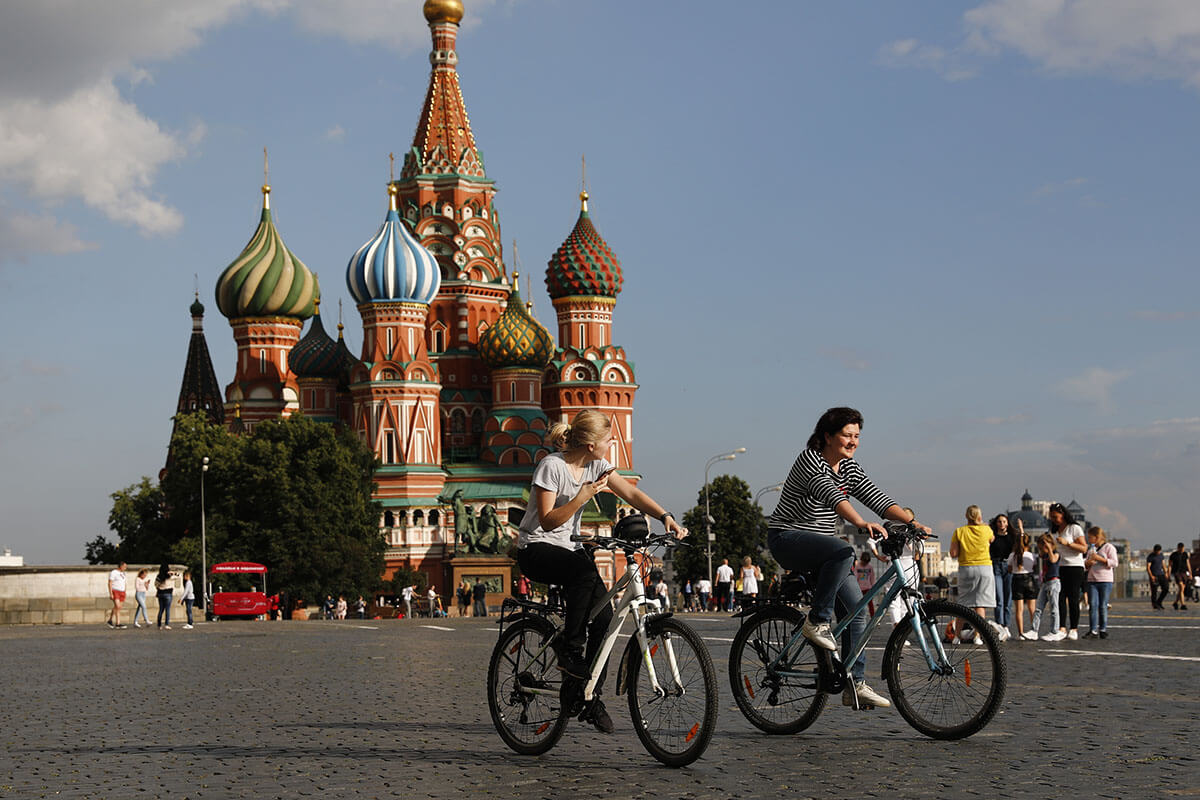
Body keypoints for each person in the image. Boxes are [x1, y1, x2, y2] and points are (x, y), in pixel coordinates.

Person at [516, 408, 686, 734]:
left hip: (570, 549)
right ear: (592, 444)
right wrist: (581, 497)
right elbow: (549, 520)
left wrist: (664, 515)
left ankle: (588, 695)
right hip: (535, 549)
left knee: (606, 621)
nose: (612, 443)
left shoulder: (597, 466)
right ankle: (570, 650)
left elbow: (632, 493)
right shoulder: (552, 466)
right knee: (582, 569)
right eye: (608, 439)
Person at [767, 406, 930, 710]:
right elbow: (832, 495)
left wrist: (910, 522)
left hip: (822, 546)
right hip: (787, 537)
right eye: (847, 435)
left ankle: (854, 684)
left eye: (857, 436)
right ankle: (817, 621)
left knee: (858, 613)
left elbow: (876, 497)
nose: (853, 441)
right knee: (844, 550)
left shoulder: (850, 468)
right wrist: (859, 522)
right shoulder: (810, 460)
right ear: (827, 436)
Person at [949, 505, 1009, 643]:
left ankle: (957, 636)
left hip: (966, 567)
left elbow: (953, 553)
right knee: (979, 605)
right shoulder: (986, 530)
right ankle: (977, 636)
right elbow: (992, 539)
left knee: (963, 604)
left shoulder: (959, 531)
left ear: (966, 516)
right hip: (984, 568)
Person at [1048, 502, 1087, 640]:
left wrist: (1068, 543)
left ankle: (1074, 628)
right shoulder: (1054, 531)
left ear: (1063, 515)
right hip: (1063, 566)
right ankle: (1062, 628)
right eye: (1051, 517)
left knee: (1073, 598)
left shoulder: (1074, 528)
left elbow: (1084, 548)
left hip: (1076, 566)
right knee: (1061, 597)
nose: (1053, 519)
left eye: (1055, 516)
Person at [1084, 527, 1118, 638]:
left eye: (1090, 537)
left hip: (1105, 580)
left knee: (1103, 605)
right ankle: (1093, 630)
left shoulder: (1109, 547)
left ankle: (1103, 629)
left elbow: (1114, 562)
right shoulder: (1091, 550)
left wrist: (1100, 559)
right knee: (1092, 605)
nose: (1089, 539)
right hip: (1092, 580)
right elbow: (1086, 564)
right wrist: (1088, 562)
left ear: (1097, 537)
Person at [1028, 533, 1063, 641]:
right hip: (1045, 583)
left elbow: (1053, 560)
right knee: (1038, 608)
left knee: (1054, 609)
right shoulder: (1044, 555)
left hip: (1054, 582)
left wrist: (1049, 548)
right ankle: (1034, 630)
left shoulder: (1055, 553)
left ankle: (1054, 631)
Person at [990, 514, 1018, 629]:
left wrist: (1020, 530)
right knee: (999, 598)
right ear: (996, 523)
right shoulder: (992, 537)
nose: (1002, 524)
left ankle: (1006, 625)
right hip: (996, 566)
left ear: (1007, 523)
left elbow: (1020, 546)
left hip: (1009, 566)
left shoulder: (1012, 537)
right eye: (999, 522)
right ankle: (999, 624)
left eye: (1004, 522)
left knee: (1008, 598)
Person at [1009, 532, 1037, 640]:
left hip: (1017, 580)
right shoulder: (1031, 555)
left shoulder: (1012, 555)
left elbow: (1009, 569)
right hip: (1029, 579)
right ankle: (1033, 630)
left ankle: (1021, 633)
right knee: (1032, 609)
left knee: (1019, 609)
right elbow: (1033, 566)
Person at [1169, 542, 1192, 611]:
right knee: (1181, 587)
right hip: (1176, 572)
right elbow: (1170, 565)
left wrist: (1190, 573)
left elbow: (1188, 564)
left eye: (1183, 549)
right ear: (1178, 548)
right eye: (1181, 549)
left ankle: (1175, 602)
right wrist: (1168, 574)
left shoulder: (1185, 554)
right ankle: (1183, 604)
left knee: (1182, 589)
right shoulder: (1173, 555)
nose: (1182, 550)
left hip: (1184, 572)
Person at [1147, 544, 1170, 610]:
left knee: (1166, 588)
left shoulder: (1161, 555)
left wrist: (1166, 573)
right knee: (1154, 591)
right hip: (1154, 575)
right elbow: (1148, 567)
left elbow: (1163, 565)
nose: (1157, 552)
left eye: (1158, 551)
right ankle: (1154, 604)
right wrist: (1151, 576)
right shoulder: (1150, 556)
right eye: (1156, 551)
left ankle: (1159, 601)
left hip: (1161, 574)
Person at [106, 561, 128, 629]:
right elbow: (110, 582)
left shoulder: (123, 573)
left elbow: (124, 583)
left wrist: (125, 591)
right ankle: (117, 623)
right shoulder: (114, 572)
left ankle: (110, 620)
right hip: (115, 591)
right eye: (124, 567)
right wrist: (111, 593)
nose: (125, 568)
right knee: (117, 606)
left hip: (122, 591)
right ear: (121, 566)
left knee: (118, 607)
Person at [854, 551, 875, 616]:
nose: (865, 564)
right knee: (858, 604)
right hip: (859, 588)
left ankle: (873, 617)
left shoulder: (870, 567)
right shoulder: (857, 566)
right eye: (864, 562)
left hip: (868, 588)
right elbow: (855, 576)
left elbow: (872, 577)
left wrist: (873, 587)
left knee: (870, 604)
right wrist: (855, 587)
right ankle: (858, 616)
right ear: (861, 559)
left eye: (866, 562)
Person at [154, 564, 174, 630]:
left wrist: (159, 587)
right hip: (168, 593)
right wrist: (172, 572)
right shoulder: (170, 576)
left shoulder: (159, 576)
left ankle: (159, 624)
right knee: (167, 609)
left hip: (160, 593)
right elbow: (178, 576)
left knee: (161, 609)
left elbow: (155, 584)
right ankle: (166, 624)